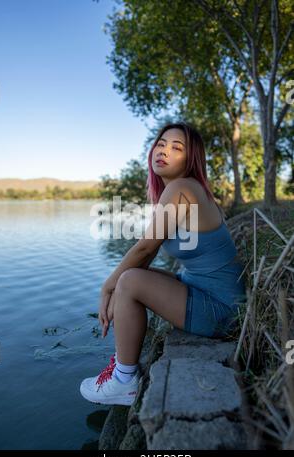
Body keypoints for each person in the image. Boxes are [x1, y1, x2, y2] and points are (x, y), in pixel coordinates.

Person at [80, 121, 247, 406]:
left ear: (190, 158)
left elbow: (146, 247)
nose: (164, 151)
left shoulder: (183, 188)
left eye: (176, 147)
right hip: (207, 291)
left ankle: (123, 381)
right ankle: (123, 367)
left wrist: (107, 287)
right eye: (160, 144)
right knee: (129, 279)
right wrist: (118, 290)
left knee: (129, 281)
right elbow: (144, 254)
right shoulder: (183, 190)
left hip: (222, 310)